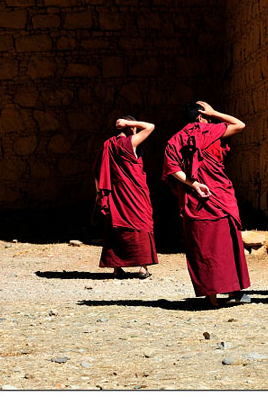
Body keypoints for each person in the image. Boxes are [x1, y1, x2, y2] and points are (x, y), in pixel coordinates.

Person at [163, 101, 250, 308]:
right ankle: (232, 289)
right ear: (202, 116)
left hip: (196, 200)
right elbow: (240, 125)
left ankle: (211, 297)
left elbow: (172, 168)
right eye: (207, 116)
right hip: (220, 195)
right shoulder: (211, 130)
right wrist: (216, 111)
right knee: (226, 244)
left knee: (203, 246)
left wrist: (194, 185)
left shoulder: (174, 140)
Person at [93, 116, 157, 279]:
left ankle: (117, 268)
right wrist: (130, 124)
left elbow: (98, 170)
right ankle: (143, 268)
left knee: (117, 226)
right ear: (130, 129)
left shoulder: (108, 145)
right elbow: (150, 126)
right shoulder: (129, 143)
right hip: (134, 193)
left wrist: (100, 194)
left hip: (117, 193)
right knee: (141, 224)